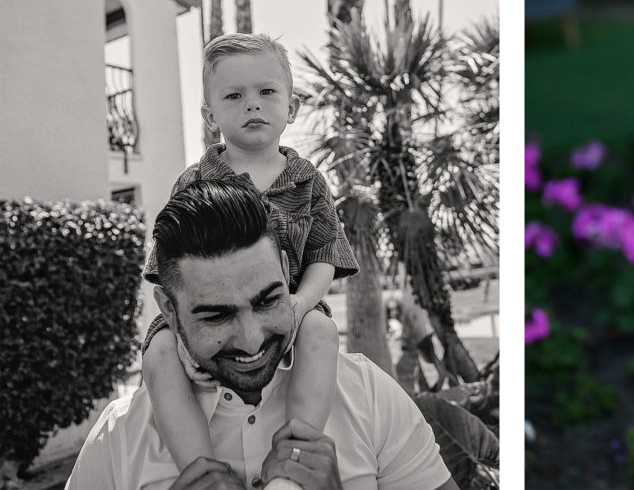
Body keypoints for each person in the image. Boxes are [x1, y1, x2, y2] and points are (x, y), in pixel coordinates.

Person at [66, 179, 456, 490]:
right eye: (217, 316)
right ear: (168, 309)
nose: (251, 340)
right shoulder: (119, 436)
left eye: (268, 300)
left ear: (287, 269)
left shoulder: (368, 394)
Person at [140, 33, 359, 479]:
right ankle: (204, 473)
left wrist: (301, 302)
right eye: (234, 95)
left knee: (321, 332)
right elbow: (169, 270)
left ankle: (295, 458)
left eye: (266, 92)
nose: (252, 105)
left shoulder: (307, 181)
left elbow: (324, 251)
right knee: (157, 354)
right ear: (210, 115)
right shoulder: (197, 180)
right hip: (204, 313)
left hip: (286, 307)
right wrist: (184, 336)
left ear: (292, 107)